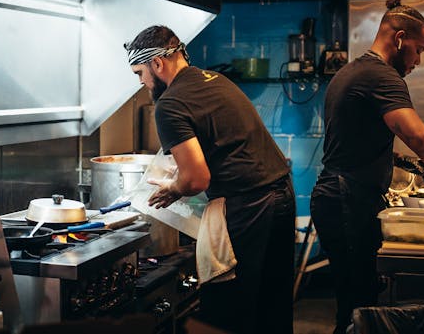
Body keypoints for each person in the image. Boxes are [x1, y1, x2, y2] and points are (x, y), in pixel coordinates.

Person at [124, 25, 296, 333]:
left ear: (158, 64)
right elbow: (221, 144)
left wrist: (172, 188)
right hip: (281, 194)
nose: (141, 83)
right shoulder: (214, 79)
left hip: (250, 207)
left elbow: (196, 180)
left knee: (228, 310)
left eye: (140, 73)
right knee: (272, 306)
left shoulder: (169, 104)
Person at [310, 0, 424, 334]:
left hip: (339, 198)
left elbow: (356, 139)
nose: (418, 60)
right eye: (418, 49)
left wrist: (397, 160)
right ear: (400, 39)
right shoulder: (382, 78)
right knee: (357, 310)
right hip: (347, 203)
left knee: (356, 305)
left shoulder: (354, 70)